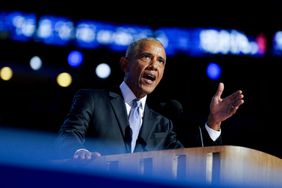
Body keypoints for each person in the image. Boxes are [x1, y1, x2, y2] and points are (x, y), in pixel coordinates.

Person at [57, 37, 244, 160]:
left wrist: (213, 123)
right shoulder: (92, 99)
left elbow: (192, 162)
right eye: (146, 57)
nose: (154, 66)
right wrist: (80, 153)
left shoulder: (162, 124)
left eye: (161, 61)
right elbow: (68, 136)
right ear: (125, 64)